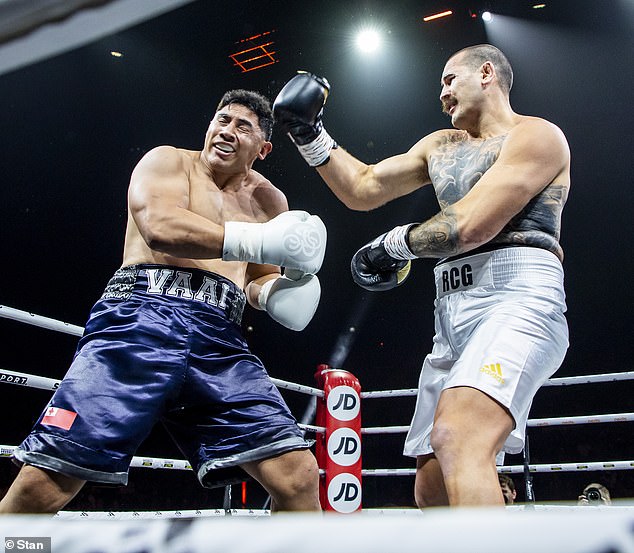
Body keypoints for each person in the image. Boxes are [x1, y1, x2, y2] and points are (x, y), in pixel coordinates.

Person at [0, 89, 326, 514]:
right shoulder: (168, 161)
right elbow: (160, 226)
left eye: (242, 127)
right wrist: (260, 239)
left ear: (262, 148)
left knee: (298, 477)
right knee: (46, 482)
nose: (227, 131)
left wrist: (282, 294)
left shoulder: (270, 201)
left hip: (220, 341)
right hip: (139, 319)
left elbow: (257, 278)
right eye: (222, 120)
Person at [273, 44, 570, 507]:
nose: (443, 94)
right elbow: (363, 187)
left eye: (450, 80)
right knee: (431, 482)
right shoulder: (439, 146)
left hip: (516, 296)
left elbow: (471, 226)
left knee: (461, 433)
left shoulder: (536, 137)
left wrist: (394, 244)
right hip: (450, 310)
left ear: (487, 73)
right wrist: (309, 134)